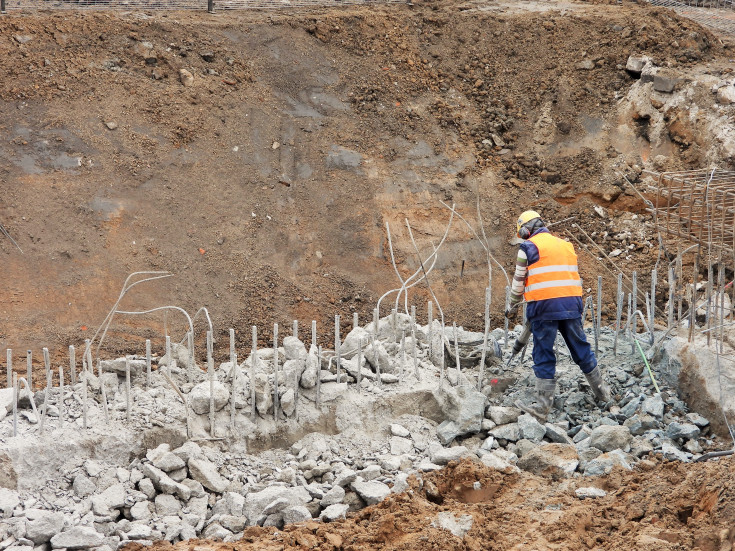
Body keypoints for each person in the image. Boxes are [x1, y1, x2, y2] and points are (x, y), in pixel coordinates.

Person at [505, 210, 611, 421]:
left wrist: (512, 305)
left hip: (544, 306)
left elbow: (518, 284)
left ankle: (543, 408)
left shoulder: (527, 247)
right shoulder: (566, 245)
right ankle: (604, 395)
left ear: (526, 230)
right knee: (580, 347)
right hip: (571, 303)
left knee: (543, 352)